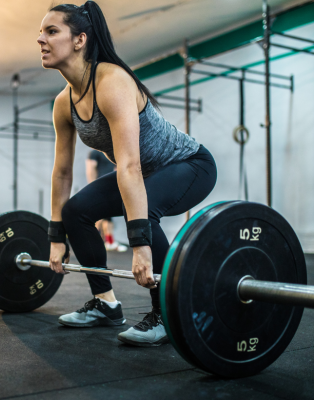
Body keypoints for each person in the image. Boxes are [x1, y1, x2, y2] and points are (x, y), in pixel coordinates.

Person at [38, 2, 217, 346]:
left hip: (190, 165)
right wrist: (56, 237)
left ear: (79, 40)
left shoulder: (111, 81)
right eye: (41, 33)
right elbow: (61, 173)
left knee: (145, 213)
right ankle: (105, 304)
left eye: (51, 31)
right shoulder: (64, 103)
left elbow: (130, 166)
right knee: (76, 211)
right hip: (143, 173)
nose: (40, 40)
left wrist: (139, 246)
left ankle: (167, 313)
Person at [85, 149, 126, 251]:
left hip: (111, 186)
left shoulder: (112, 151)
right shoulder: (94, 152)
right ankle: (94, 240)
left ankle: (108, 242)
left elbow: (117, 169)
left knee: (107, 217)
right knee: (101, 216)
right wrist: (93, 187)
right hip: (100, 187)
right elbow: (90, 169)